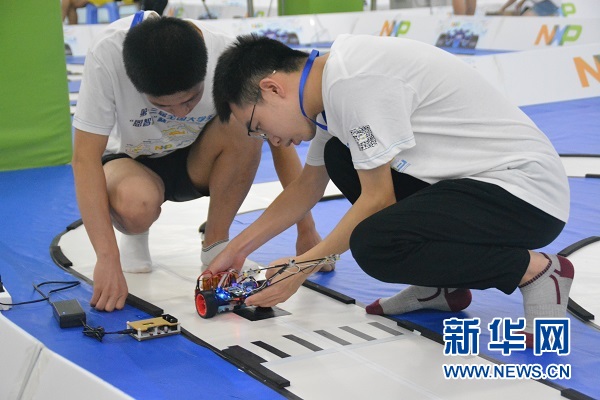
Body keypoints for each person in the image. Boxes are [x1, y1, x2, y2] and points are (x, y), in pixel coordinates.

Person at [207, 34, 574, 346]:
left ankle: (536, 271)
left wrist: (300, 268)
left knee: (374, 244)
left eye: (258, 126)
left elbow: (378, 199)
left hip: (525, 195)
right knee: (339, 156)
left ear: (272, 89)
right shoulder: (327, 89)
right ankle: (439, 285)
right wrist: (235, 250)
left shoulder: (352, 84)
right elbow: (306, 187)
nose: (269, 139)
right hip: (477, 185)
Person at [71, 14, 329, 312]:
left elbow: (277, 137)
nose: (180, 113)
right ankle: (136, 232)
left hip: (197, 160)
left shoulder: (226, 56)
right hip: (129, 162)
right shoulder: (107, 55)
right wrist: (106, 258)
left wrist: (306, 229)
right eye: (162, 105)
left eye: (190, 100)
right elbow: (84, 158)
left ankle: (216, 243)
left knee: (247, 122)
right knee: (136, 203)